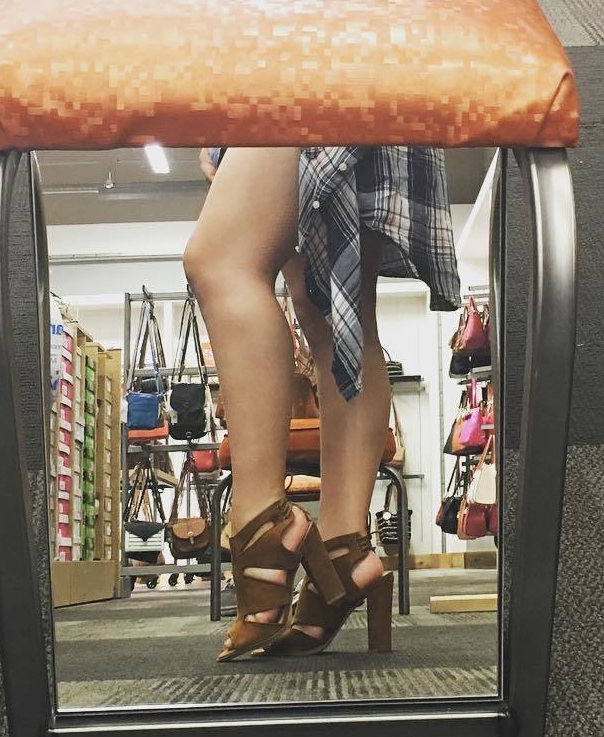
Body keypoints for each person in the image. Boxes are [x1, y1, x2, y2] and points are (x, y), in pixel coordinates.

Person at [185, 146, 459, 661]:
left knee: (221, 261)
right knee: (332, 305)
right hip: (338, 97)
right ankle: (342, 547)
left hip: (305, 92)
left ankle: (261, 523)